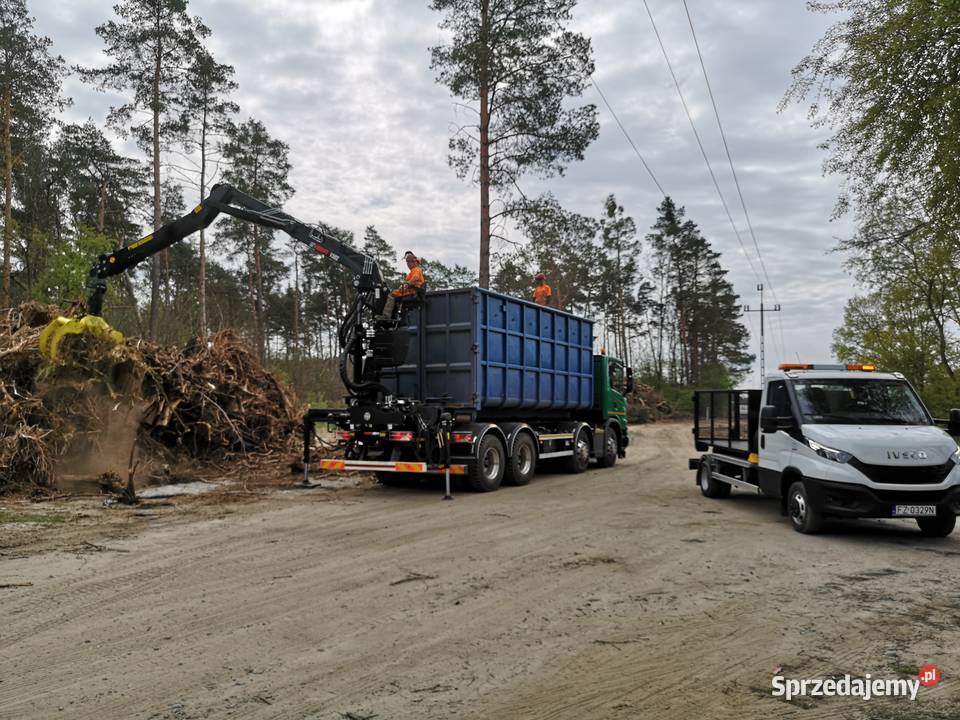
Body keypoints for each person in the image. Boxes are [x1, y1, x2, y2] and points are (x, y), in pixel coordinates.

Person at [379, 251, 426, 320]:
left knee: (391, 295)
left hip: (412, 291)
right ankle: (396, 315)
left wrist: (407, 284)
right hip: (412, 290)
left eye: (409, 262)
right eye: (407, 262)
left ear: (414, 262)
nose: (408, 264)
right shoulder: (416, 270)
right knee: (395, 294)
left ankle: (386, 316)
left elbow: (415, 278)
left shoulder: (416, 270)